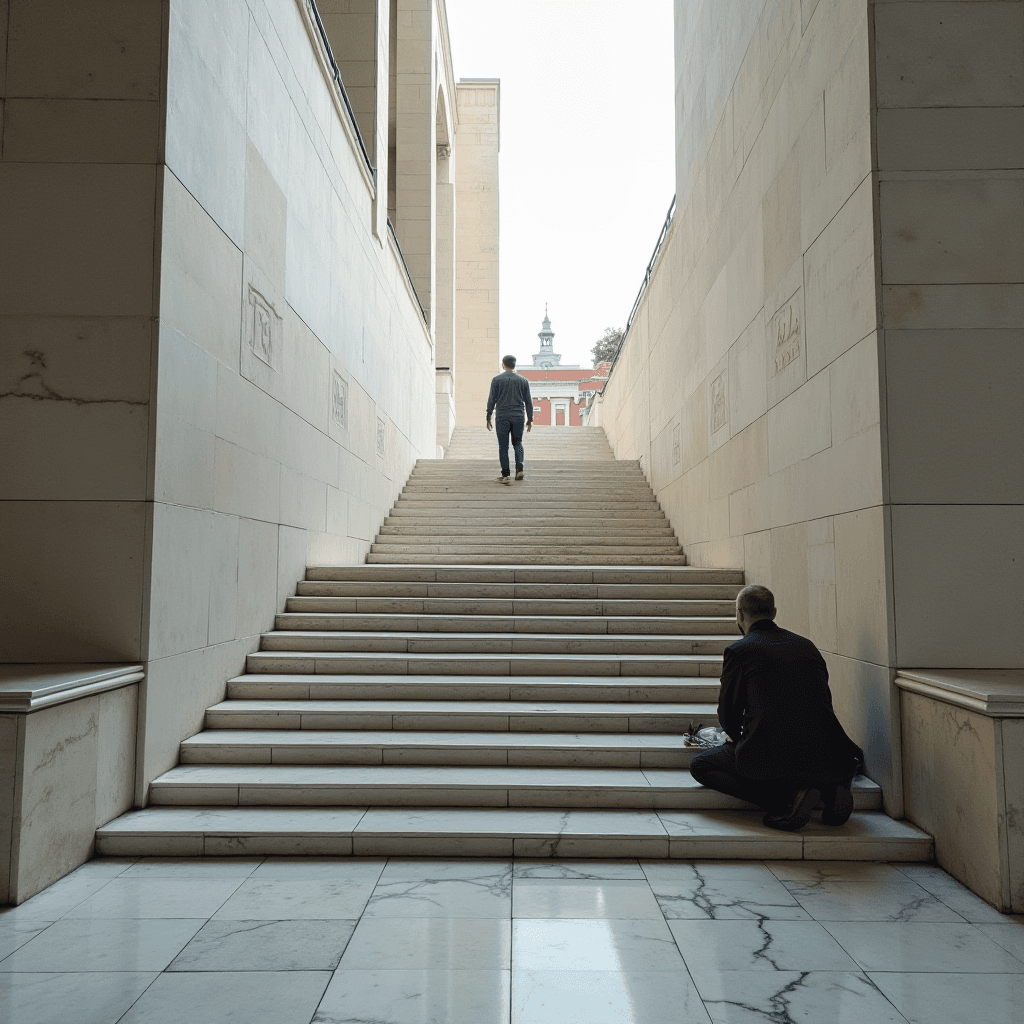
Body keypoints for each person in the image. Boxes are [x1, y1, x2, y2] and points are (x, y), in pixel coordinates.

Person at [690, 584, 865, 832]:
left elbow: (728, 714)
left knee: (701, 765)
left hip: (773, 751)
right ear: (774, 612)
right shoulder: (807, 646)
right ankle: (831, 789)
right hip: (826, 751)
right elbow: (822, 701)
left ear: (739, 614)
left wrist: (737, 740)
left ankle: (788, 800)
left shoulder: (740, 651)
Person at [485, 355, 533, 485]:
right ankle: (519, 469)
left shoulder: (496, 380)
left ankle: (506, 474)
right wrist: (530, 418)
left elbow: (492, 399)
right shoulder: (523, 380)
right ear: (514, 365)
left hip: (502, 416)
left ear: (503, 365)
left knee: (503, 446)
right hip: (518, 416)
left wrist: (488, 416)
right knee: (518, 442)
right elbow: (528, 401)